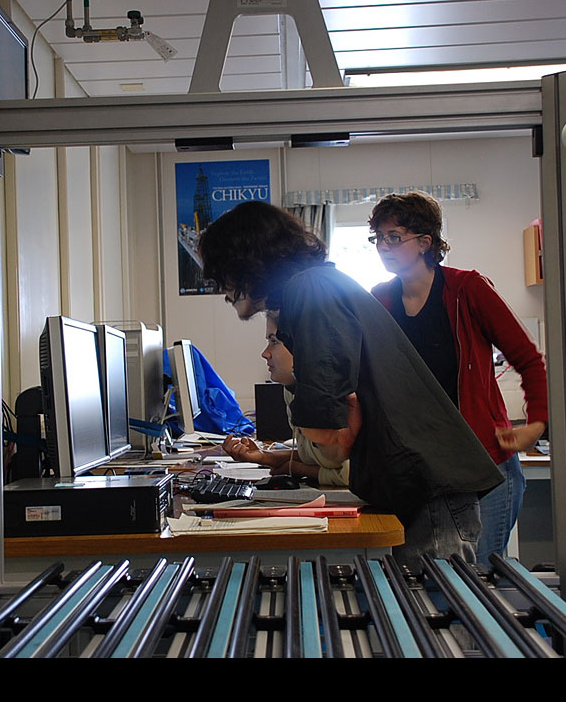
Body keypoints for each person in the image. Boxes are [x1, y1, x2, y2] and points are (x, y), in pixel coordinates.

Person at [199, 201, 503, 571]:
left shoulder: (309, 289)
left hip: (430, 494)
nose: (223, 289)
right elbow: (333, 421)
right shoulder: (316, 286)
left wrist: (332, 432)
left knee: (433, 604)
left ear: (247, 262)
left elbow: (328, 427)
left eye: (223, 275)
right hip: (421, 489)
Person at [367, 191, 548, 566]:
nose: (383, 246)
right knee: (430, 579)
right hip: (421, 467)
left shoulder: (468, 290)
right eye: (378, 238)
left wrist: (537, 423)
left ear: (425, 242)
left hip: (484, 463)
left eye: (394, 237)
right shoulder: (380, 299)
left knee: (477, 579)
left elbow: (529, 360)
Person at [223, 312, 350, 486]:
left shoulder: (338, 395)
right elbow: (316, 456)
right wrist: (264, 456)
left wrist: (298, 469)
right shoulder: (292, 389)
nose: (265, 353)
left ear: (305, 345)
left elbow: (351, 475)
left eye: (274, 342)